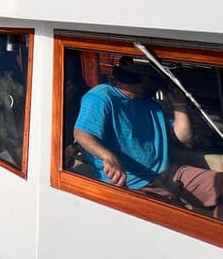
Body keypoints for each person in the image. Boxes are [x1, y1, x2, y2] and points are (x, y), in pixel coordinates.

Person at [74, 58, 222, 220]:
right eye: (156, 80)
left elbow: (185, 140)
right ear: (145, 80)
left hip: (169, 173)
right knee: (175, 222)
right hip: (132, 184)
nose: (159, 86)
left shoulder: (150, 104)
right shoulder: (102, 96)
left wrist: (179, 105)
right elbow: (82, 134)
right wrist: (107, 156)